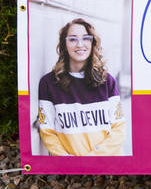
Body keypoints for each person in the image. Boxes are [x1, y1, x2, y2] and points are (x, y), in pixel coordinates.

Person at [35, 19, 126, 156]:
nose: (80, 44)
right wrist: (69, 161)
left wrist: (93, 158)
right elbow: (48, 132)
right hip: (69, 167)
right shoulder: (48, 83)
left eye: (86, 38)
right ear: (64, 44)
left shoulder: (107, 81)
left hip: (109, 165)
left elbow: (118, 129)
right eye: (72, 39)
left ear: (92, 43)